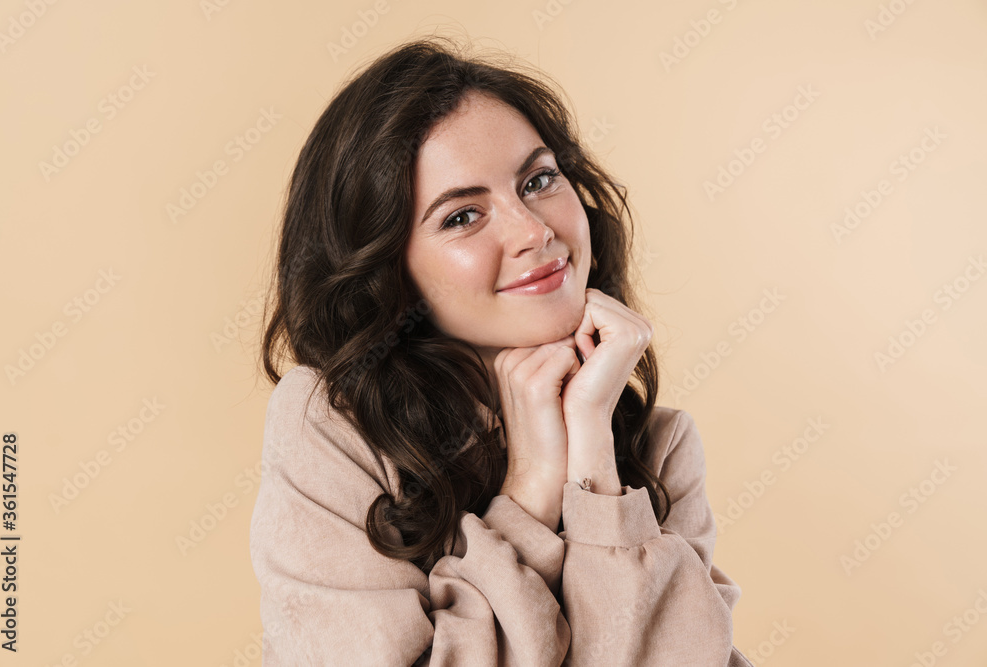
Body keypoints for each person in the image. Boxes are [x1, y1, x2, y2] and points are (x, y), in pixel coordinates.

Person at [250, 35, 753, 666]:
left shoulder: (660, 447)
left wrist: (592, 455)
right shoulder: (328, 430)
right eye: (461, 216)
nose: (534, 230)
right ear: (389, 268)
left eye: (539, 180)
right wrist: (529, 497)